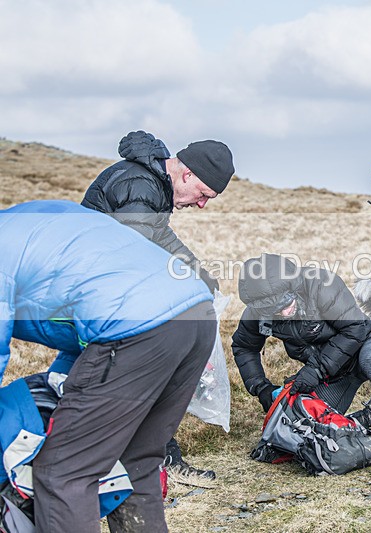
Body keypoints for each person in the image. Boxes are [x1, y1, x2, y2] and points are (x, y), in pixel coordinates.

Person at [0, 200, 215, 532]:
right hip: (195, 313)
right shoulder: (30, 222)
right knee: (135, 463)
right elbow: (84, 326)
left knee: (64, 471)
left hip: (138, 326)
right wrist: (68, 388)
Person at [82, 130, 234, 479]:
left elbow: (159, 236)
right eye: (203, 194)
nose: (201, 204)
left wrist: (197, 273)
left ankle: (135, 456)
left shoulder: (151, 183)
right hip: (97, 294)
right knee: (147, 369)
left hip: (101, 291)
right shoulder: (141, 186)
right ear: (187, 175)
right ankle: (147, 460)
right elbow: (134, 256)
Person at [231, 254, 371, 474]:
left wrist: (315, 369)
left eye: (286, 303)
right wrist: (260, 387)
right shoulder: (258, 312)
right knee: (310, 425)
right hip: (332, 372)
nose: (283, 312)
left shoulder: (321, 284)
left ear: (294, 287)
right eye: (274, 310)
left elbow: (355, 329)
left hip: (365, 343)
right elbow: (244, 347)